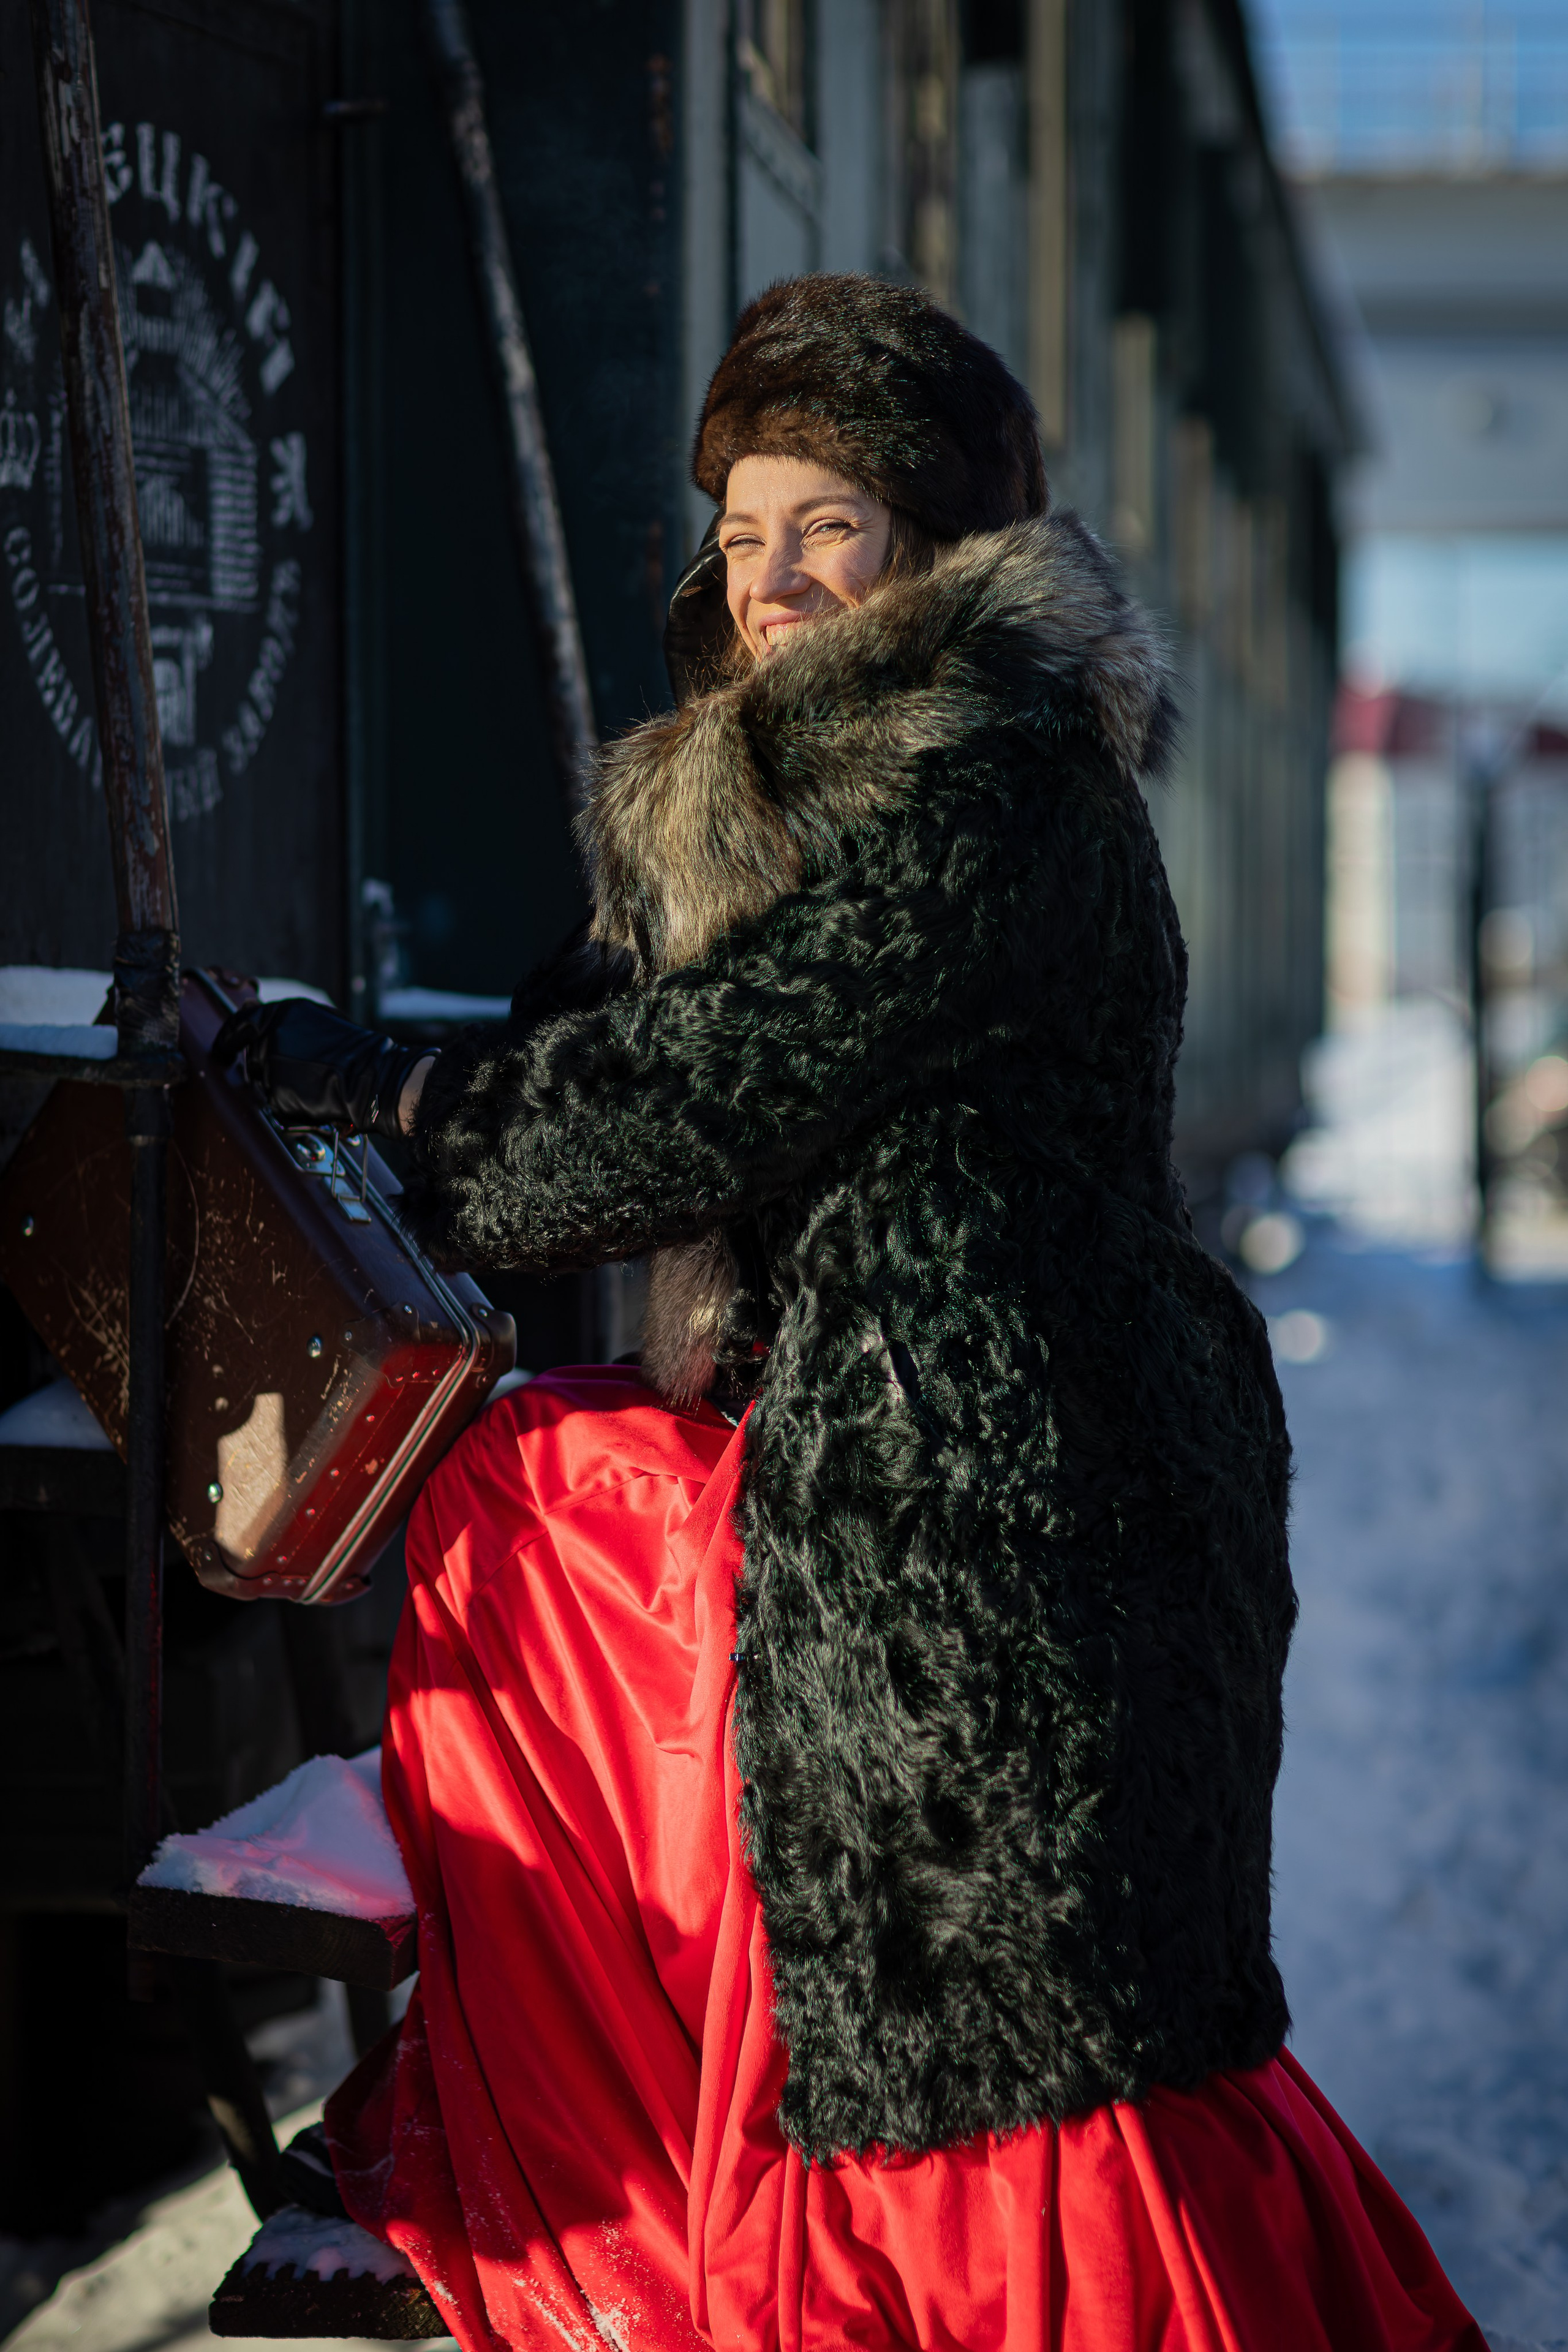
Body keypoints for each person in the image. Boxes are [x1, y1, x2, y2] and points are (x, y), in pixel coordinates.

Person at [217, 275, 1485, 2351]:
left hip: (1008, 1505)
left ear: (934, 545)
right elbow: (617, 1039)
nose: (779, 571)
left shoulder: (987, 789)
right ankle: (480, 2134)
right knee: (537, 1504)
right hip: (883, 1464)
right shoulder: (784, 800)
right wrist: (419, 1063)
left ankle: (488, 2151)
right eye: (743, 531)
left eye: (832, 523)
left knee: (999, 2064)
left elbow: (695, 1094)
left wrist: (413, 1098)